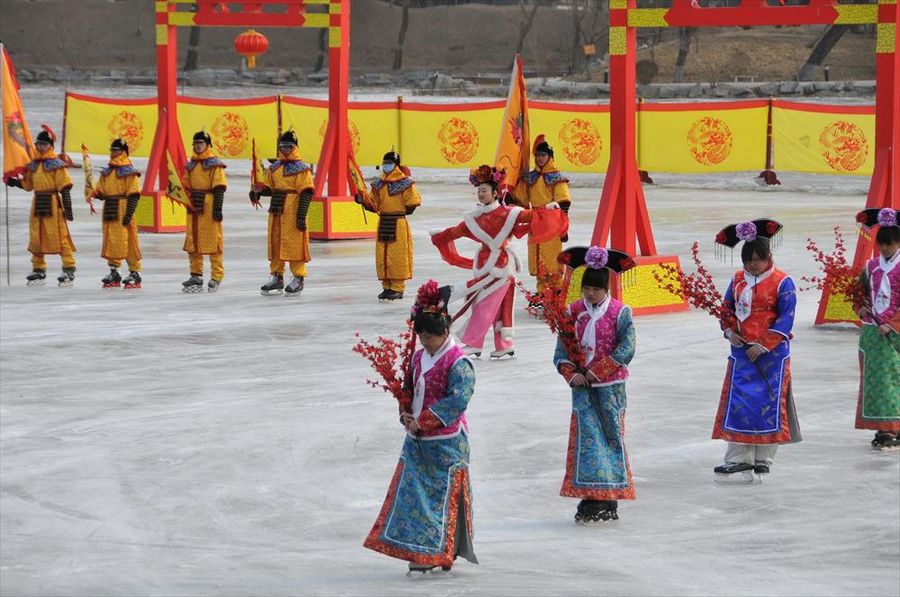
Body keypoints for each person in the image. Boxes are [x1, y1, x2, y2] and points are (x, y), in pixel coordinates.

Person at [364, 281, 478, 574]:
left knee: (441, 498)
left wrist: (423, 421)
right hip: (417, 439)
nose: (425, 341)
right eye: (421, 335)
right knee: (415, 496)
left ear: (445, 331)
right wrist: (404, 412)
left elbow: (458, 401)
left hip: (446, 441)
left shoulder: (459, 362)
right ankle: (420, 550)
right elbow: (409, 388)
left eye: (430, 336)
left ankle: (439, 552)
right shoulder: (417, 357)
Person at [430, 165, 568, 359]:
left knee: (483, 305)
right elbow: (457, 231)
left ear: (495, 193)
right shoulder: (475, 218)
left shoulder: (508, 213)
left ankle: (472, 343)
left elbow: (530, 215)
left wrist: (547, 209)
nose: (481, 194)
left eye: (484, 190)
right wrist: (440, 235)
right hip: (487, 265)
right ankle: (504, 344)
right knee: (499, 308)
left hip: (500, 267)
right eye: (479, 191)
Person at [712, 219, 801, 480]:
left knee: (768, 406)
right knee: (740, 404)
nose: (752, 264)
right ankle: (739, 458)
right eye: (748, 259)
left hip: (772, 356)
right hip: (742, 353)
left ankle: (763, 457)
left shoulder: (783, 282)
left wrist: (764, 345)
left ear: (768, 256)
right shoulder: (738, 279)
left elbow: (787, 318)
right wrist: (730, 331)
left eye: (758, 259)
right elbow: (726, 309)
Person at [553, 246, 637, 523]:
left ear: (606, 289)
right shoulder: (573, 311)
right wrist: (571, 373)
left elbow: (627, 348)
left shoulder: (620, 312)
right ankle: (590, 493)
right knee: (587, 441)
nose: (590, 294)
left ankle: (609, 493)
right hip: (582, 390)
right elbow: (562, 349)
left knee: (611, 437)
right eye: (586, 288)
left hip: (610, 388)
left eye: (596, 289)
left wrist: (599, 371)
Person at [5, 125, 77, 287]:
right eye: (38, 144)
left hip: (52, 203)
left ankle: (68, 268)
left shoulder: (57, 164)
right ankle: (38, 268)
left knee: (60, 237)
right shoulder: (33, 165)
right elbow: (28, 185)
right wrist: (13, 182)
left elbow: (64, 187)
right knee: (36, 237)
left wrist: (68, 209)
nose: (40, 147)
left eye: (44, 144)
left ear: (50, 146)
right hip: (37, 203)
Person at [854, 207, 900, 450]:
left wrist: (892, 324)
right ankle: (884, 427)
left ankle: (893, 428)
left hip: (894, 334)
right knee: (876, 381)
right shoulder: (871, 266)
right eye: (881, 244)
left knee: (892, 380)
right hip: (873, 333)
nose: (884, 249)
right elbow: (859, 292)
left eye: (889, 244)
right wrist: (860, 307)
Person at [250, 130, 314, 296]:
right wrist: (258, 192)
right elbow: (270, 188)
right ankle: (277, 276)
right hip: (277, 210)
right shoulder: (274, 168)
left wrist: (301, 215)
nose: (285, 150)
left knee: (294, 244)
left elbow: (306, 191)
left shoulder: (302, 169)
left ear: (295, 147)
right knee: (276, 243)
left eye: (289, 146)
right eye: (283, 146)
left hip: (293, 209)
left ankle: (298, 277)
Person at [354, 149, 421, 301]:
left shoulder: (405, 183)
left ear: (396, 165)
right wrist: (362, 200)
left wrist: (401, 211)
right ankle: (386, 286)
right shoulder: (378, 184)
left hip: (398, 222)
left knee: (397, 256)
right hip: (384, 221)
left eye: (389, 163)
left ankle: (397, 287)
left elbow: (412, 203)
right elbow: (373, 204)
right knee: (383, 255)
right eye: (384, 163)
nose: (386, 165)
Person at [510, 135, 571, 291]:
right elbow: (520, 198)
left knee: (552, 257)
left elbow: (563, 202)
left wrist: (564, 228)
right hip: (535, 220)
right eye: (537, 155)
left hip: (552, 221)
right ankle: (541, 292)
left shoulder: (556, 178)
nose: (540, 158)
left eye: (543, 155)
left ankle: (556, 291)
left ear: (549, 157)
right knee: (537, 257)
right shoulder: (531, 177)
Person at [93, 138, 142, 288]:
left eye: (116, 150)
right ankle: (114, 270)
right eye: (112, 150)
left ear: (123, 152)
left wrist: (129, 213)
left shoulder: (129, 171)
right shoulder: (107, 172)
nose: (113, 153)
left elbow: (134, 194)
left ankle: (135, 272)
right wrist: (94, 192)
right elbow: (101, 192)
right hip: (110, 207)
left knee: (129, 240)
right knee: (112, 240)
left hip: (123, 207)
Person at [182, 131, 227, 293]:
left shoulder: (215, 165)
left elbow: (219, 187)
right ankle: (196, 274)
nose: (198, 146)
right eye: (195, 143)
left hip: (209, 205)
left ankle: (216, 275)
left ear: (207, 145)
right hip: (194, 206)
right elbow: (185, 185)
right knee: (193, 242)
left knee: (213, 242)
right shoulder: (191, 165)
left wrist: (217, 208)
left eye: (201, 143)